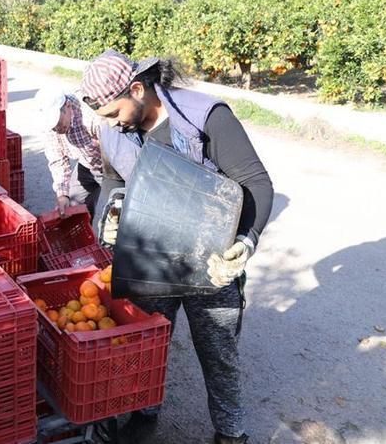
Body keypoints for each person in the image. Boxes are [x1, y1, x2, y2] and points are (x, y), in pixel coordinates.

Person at [80, 50, 273, 444]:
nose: (112, 123)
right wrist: (110, 214)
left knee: (218, 354)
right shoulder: (113, 131)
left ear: (137, 89)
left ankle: (231, 433)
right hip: (153, 259)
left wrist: (246, 241)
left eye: (115, 113)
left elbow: (257, 184)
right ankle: (143, 411)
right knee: (147, 345)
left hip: (211, 261)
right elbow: (113, 180)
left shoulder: (205, 118)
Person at [34, 89, 103, 218]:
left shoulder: (90, 115)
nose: (56, 129)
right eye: (53, 126)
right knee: (72, 208)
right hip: (87, 164)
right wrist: (62, 194)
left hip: (111, 166)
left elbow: (117, 152)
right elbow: (57, 159)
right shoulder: (52, 128)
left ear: (68, 106)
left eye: (57, 123)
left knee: (118, 211)